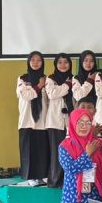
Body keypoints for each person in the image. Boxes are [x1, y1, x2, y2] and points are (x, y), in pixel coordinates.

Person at [59, 109, 102, 203]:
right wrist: (87, 154)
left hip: (95, 199)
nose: (84, 126)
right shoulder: (65, 146)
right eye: (80, 122)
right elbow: (71, 168)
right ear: (73, 124)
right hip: (74, 200)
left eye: (88, 123)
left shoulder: (98, 144)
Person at [17, 51, 49, 184]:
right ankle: (30, 177)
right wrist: (39, 86)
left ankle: (41, 175)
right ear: (28, 62)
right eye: (33, 60)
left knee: (41, 150)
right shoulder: (22, 79)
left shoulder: (47, 79)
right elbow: (26, 95)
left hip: (42, 120)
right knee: (28, 150)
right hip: (27, 120)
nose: (36, 63)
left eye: (39, 60)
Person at [45, 53, 74, 188]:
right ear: (55, 65)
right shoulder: (51, 79)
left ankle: (66, 180)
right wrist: (67, 85)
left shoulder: (74, 78)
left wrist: (67, 85)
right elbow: (52, 94)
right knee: (56, 152)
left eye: (66, 62)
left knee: (69, 152)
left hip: (70, 121)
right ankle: (54, 180)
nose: (63, 65)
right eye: (60, 62)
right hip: (55, 121)